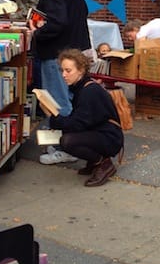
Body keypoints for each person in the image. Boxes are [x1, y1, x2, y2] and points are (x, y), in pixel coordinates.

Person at [30, 0, 90, 163]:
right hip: (72, 50)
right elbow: (82, 12)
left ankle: (64, 148)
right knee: (68, 98)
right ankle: (69, 144)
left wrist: (37, 31)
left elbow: (57, 22)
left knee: (56, 101)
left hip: (55, 52)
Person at [38, 49, 124, 186]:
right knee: (66, 136)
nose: (64, 75)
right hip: (102, 132)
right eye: (62, 70)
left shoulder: (88, 91)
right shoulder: (82, 86)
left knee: (67, 141)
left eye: (68, 71)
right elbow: (79, 120)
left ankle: (102, 163)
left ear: (81, 70)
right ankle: (95, 161)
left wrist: (53, 117)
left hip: (110, 137)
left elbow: (77, 124)